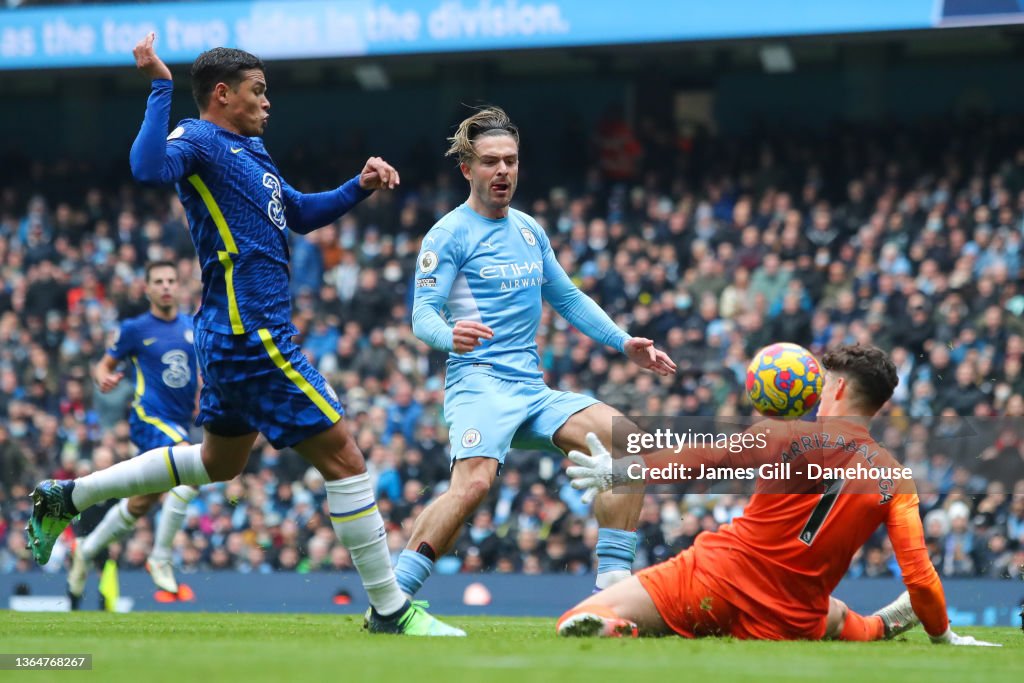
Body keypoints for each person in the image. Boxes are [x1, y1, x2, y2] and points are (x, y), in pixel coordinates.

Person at [26, 33, 462, 637]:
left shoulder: (253, 152)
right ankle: (390, 609)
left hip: (237, 333)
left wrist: (358, 186)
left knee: (219, 463)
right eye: (258, 91)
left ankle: (66, 498)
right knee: (346, 457)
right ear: (223, 94)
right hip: (249, 331)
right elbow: (147, 166)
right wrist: (160, 86)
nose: (268, 103)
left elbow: (301, 214)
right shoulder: (198, 138)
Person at [401, 106, 676, 598]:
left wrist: (623, 341)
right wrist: (449, 335)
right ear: (467, 169)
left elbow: (567, 296)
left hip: (530, 389)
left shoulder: (528, 229)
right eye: (490, 161)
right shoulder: (449, 234)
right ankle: (393, 597)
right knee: (474, 486)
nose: (502, 170)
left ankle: (613, 590)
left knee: (626, 443)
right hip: (479, 382)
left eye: (510, 160)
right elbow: (423, 314)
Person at [559, 344, 999, 646]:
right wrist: (944, 636)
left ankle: (626, 629)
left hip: (716, 580)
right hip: (792, 614)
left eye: (823, 384)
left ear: (839, 389)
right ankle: (884, 624)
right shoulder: (895, 478)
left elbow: (704, 458)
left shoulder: (786, 435)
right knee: (839, 619)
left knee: (575, 621)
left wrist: (622, 470)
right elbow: (921, 578)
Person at [68, 261, 200, 606]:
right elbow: (104, 364)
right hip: (149, 417)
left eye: (172, 280)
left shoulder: (192, 326)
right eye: (159, 281)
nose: (167, 286)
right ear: (148, 289)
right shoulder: (135, 328)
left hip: (180, 420)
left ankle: (88, 548)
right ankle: (159, 557)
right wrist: (103, 378)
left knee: (142, 502)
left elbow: (195, 373)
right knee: (190, 467)